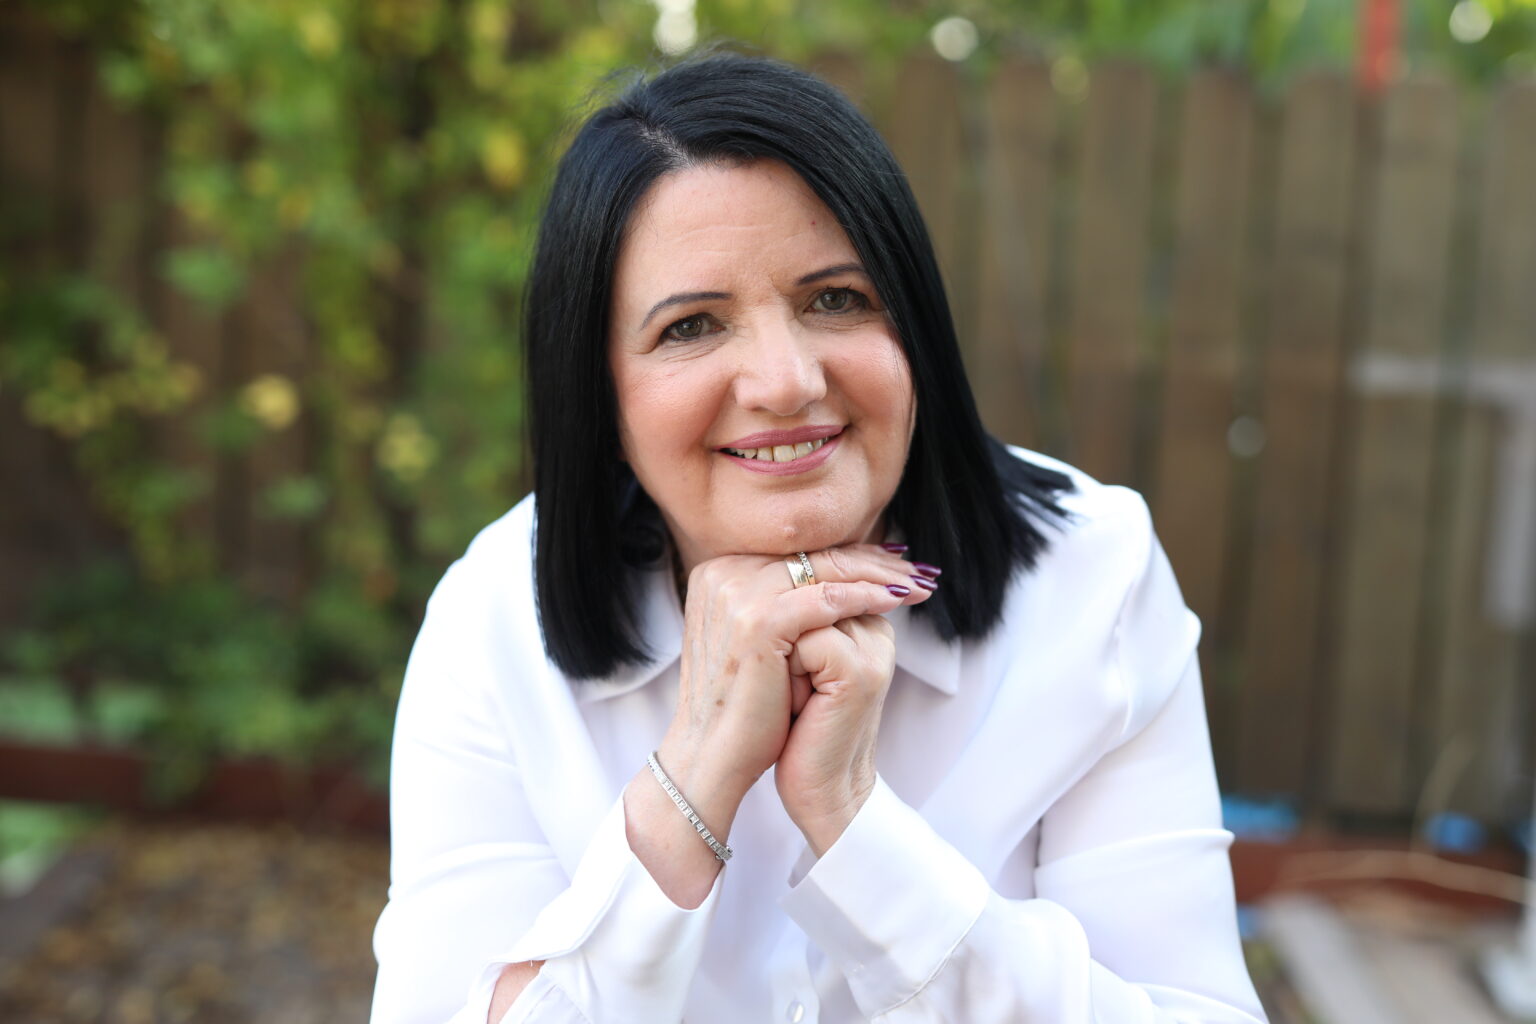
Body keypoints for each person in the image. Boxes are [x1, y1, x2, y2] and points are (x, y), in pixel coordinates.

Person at [369, 53, 1266, 1024]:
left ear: (913, 326)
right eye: (692, 326)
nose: (786, 380)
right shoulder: (496, 619)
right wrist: (690, 784)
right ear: (601, 395)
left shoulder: (1091, 578)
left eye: (835, 299)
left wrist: (855, 825)